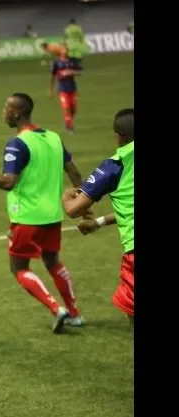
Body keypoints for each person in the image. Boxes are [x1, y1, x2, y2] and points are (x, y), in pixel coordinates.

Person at [0, 93, 86, 333]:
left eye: (6, 108)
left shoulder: (18, 143)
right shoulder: (54, 137)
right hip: (53, 216)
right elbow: (74, 172)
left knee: (19, 268)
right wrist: (82, 204)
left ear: (17, 113)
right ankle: (75, 313)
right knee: (53, 262)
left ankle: (56, 308)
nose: (3, 112)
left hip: (28, 218)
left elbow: (9, 182)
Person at [62, 108, 134, 333]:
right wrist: (100, 222)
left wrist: (65, 197)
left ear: (118, 136)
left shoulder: (116, 165)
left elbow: (75, 209)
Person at [49, 51, 83, 133]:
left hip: (72, 88)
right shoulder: (56, 63)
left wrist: (72, 72)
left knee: (73, 109)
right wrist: (50, 90)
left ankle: (67, 122)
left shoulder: (72, 61)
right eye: (64, 49)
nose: (65, 51)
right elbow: (52, 76)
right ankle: (70, 127)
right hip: (62, 89)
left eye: (66, 49)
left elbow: (80, 72)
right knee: (66, 108)